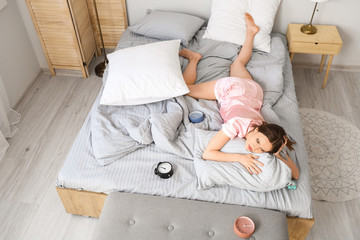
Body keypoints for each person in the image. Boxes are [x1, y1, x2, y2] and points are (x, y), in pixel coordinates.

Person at [179, 13, 299, 180]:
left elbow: (296, 174)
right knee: (184, 89)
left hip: (252, 91)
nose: (254, 149)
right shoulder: (235, 125)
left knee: (238, 63)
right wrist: (240, 158)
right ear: (257, 129)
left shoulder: (267, 133)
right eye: (257, 142)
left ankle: (251, 31)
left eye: (262, 150)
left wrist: (277, 153)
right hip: (232, 89)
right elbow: (208, 153)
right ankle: (194, 58)